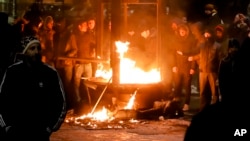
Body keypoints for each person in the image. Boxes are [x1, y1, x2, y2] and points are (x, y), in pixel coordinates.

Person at [0, 36, 67, 141]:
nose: (36, 52)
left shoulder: (50, 73)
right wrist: (7, 126)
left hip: (40, 132)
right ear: (25, 52)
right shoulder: (12, 72)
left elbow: (60, 102)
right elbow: (2, 99)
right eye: (32, 48)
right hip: (16, 132)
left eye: (38, 48)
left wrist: (50, 127)